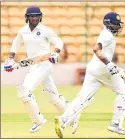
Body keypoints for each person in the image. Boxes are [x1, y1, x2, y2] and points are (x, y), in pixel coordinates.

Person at [54, 12, 125, 138]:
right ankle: (115, 123)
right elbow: (96, 49)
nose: (117, 27)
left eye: (118, 24)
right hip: (103, 69)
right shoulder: (107, 36)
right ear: (108, 24)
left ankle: (63, 119)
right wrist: (109, 64)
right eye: (115, 24)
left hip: (93, 68)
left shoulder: (106, 34)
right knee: (124, 92)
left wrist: (114, 67)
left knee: (83, 98)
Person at [3, 5, 78, 133]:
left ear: (40, 17)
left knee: (24, 91)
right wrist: (10, 58)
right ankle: (71, 116)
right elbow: (16, 43)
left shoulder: (45, 30)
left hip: (44, 63)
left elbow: (58, 41)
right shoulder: (23, 31)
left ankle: (38, 120)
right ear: (27, 17)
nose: (34, 18)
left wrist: (56, 52)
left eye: (37, 16)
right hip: (33, 64)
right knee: (53, 96)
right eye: (32, 16)